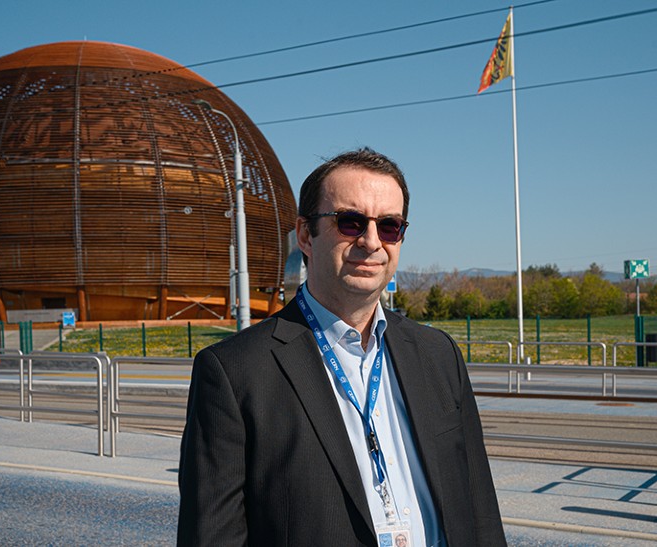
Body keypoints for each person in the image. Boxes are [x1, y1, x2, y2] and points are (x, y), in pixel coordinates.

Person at [178, 148, 506, 546]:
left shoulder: (438, 354)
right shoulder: (235, 371)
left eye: (389, 226)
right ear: (305, 235)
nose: (371, 242)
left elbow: (480, 509)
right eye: (350, 222)